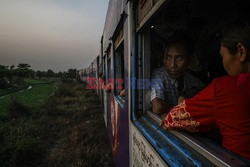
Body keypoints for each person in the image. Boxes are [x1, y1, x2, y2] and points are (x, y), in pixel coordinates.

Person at [162, 18, 250, 159]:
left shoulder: (225, 89)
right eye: (168, 57)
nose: (223, 63)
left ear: (241, 51)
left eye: (223, 56)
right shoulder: (159, 77)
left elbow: (171, 119)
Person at [151, 30, 204, 116]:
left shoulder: (195, 82)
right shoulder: (159, 75)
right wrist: (184, 111)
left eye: (179, 59)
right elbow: (158, 107)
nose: (172, 65)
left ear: (189, 61)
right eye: (168, 58)